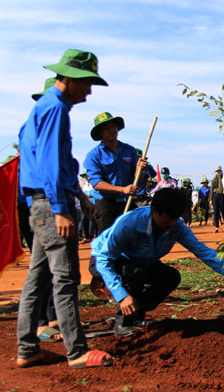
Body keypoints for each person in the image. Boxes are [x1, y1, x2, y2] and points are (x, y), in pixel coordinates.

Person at [17, 49, 112, 368]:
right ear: (70, 78)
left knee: (37, 278)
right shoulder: (55, 108)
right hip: (50, 204)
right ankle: (77, 351)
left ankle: (27, 348)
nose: (88, 92)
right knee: (66, 276)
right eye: (87, 84)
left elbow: (56, 162)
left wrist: (81, 199)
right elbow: (48, 163)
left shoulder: (44, 108)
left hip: (41, 203)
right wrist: (60, 209)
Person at [91, 188, 224, 336]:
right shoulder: (129, 224)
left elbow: (202, 251)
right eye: (168, 218)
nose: (171, 224)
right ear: (154, 211)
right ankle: (123, 324)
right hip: (105, 260)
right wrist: (122, 295)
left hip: (140, 261)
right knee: (135, 272)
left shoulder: (176, 226)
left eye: (176, 219)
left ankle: (136, 313)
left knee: (171, 277)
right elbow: (104, 259)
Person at [84, 112, 147, 233]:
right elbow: (97, 184)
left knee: (133, 238)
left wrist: (140, 170)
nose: (111, 130)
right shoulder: (93, 155)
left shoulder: (129, 150)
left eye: (113, 126)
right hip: (106, 205)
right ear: (100, 133)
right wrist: (122, 189)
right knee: (109, 242)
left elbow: (138, 179)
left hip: (127, 202)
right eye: (106, 128)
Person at [78, 171, 97, 243]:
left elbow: (97, 194)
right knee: (83, 220)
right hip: (84, 206)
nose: (86, 177)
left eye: (87, 175)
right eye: (85, 176)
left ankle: (92, 236)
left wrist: (91, 196)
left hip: (93, 205)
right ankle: (86, 236)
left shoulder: (94, 183)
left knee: (92, 220)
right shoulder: (85, 185)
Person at [210, 165, 224, 232]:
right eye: (217, 171)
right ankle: (216, 227)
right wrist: (210, 200)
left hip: (222, 195)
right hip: (215, 195)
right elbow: (211, 190)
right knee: (216, 212)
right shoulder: (214, 180)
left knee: (223, 211)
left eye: (219, 171)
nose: (218, 172)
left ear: (221, 171)